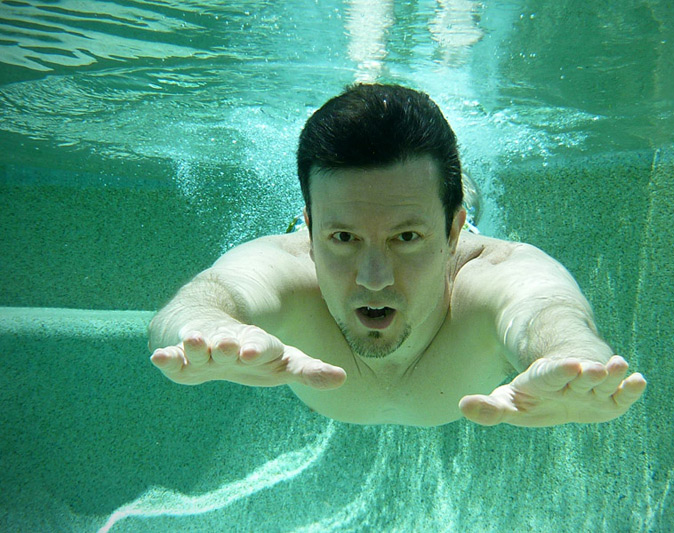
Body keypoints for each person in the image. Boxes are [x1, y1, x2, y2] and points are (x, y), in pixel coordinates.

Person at [148, 84, 646, 427]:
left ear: (453, 233)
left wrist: (570, 358)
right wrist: (206, 328)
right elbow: (206, 297)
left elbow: (544, 309)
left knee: (457, 193)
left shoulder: (489, 274)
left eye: (407, 238)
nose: (374, 278)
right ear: (311, 232)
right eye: (343, 239)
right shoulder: (290, 267)